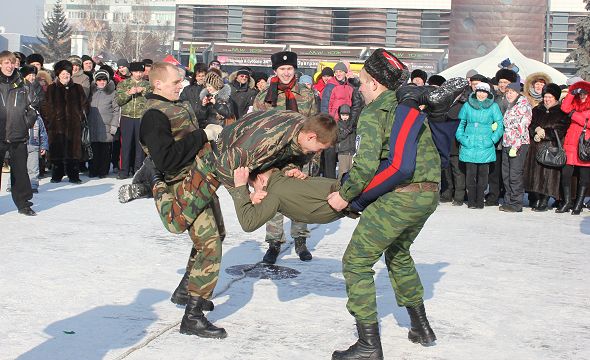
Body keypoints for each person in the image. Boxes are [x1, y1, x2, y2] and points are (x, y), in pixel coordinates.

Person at [327, 49, 439, 360]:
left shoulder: (375, 113)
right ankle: (421, 327)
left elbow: (363, 167)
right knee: (399, 254)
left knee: (356, 262)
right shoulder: (410, 109)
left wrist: (345, 195)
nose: (359, 87)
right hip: (427, 195)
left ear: (375, 84)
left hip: (400, 197)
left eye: (362, 82)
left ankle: (368, 346)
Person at [138, 61, 226, 339]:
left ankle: (186, 290)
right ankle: (194, 316)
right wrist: (202, 134)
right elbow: (165, 159)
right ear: (158, 84)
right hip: (183, 186)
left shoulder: (176, 106)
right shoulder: (154, 115)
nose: (181, 85)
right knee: (210, 245)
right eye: (176, 82)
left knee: (217, 235)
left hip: (200, 179)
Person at [253, 50, 318, 263]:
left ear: (295, 69)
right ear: (275, 71)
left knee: (299, 198)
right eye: (282, 69)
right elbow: (255, 129)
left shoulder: (307, 95)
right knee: (273, 198)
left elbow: (314, 128)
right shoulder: (264, 97)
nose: (286, 73)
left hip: (300, 156)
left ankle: (300, 241)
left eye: (290, 68)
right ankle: (274, 242)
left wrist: (313, 157)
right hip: (272, 157)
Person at [230, 167, 357, 232]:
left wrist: (240, 187)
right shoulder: (284, 179)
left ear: (261, 179)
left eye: (253, 187)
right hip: (352, 190)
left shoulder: (274, 194)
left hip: (355, 196)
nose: (255, 191)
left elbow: (248, 223)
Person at [0, 51, 37, 215]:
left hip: (18, 134)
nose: (9, 66)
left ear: (16, 64)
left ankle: (24, 204)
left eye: (11, 63)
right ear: (0, 64)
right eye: (5, 63)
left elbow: (33, 107)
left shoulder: (23, 84)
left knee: (20, 172)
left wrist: (26, 123)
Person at [456, 82, 504, 209]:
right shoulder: (467, 105)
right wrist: (462, 138)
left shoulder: (493, 107)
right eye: (479, 91)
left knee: (483, 175)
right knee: (470, 175)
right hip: (469, 144)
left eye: (484, 92)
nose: (481, 94)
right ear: (475, 92)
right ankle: (471, 201)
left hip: (485, 145)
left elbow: (500, 125)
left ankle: (479, 201)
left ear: (488, 94)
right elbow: (460, 124)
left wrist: (492, 140)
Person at [523, 83, 569, 211]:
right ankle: (536, 198)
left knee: (548, 175)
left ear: (556, 98)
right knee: (534, 174)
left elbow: (561, 129)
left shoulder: (561, 112)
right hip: (535, 147)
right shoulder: (537, 109)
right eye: (545, 96)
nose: (547, 99)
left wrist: (546, 133)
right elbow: (530, 123)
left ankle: (544, 199)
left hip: (550, 148)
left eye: (550, 97)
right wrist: (536, 129)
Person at [40, 60, 88, 185]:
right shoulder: (51, 89)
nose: (65, 76)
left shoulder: (78, 88)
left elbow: (85, 105)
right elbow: (45, 106)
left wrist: (80, 116)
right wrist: (51, 117)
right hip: (56, 126)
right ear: (58, 74)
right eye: (62, 73)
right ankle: (57, 174)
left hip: (74, 125)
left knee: (73, 151)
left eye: (67, 73)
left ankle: (74, 175)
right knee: (57, 150)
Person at [486, 68, 518, 206]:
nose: (502, 84)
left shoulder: (515, 99)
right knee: (494, 169)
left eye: (505, 82)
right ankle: (493, 194)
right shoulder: (495, 98)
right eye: (500, 82)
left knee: (508, 170)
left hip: (510, 139)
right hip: (495, 139)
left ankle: (507, 194)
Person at [557, 80, 590, 214]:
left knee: (584, 177)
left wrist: (574, 115)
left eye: (585, 92)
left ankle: (578, 204)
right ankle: (567, 201)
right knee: (566, 174)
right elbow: (564, 107)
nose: (582, 95)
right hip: (571, 143)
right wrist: (571, 92)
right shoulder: (574, 104)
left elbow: (587, 123)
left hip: (585, 144)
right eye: (580, 92)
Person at [500, 82, 532, 212]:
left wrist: (516, 145)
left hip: (518, 144)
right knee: (506, 174)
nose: (509, 94)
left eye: (511, 92)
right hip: (507, 143)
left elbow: (523, 127)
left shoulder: (524, 106)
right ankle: (508, 201)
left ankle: (516, 203)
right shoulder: (510, 106)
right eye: (507, 92)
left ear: (518, 92)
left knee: (515, 174)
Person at [115, 62, 150, 179]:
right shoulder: (123, 84)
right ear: (131, 72)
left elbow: (151, 98)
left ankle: (138, 170)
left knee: (140, 146)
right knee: (125, 145)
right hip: (127, 117)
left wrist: (143, 91)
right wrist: (129, 93)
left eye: (140, 72)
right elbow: (119, 100)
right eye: (136, 72)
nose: (138, 74)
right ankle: (124, 170)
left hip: (141, 118)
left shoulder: (147, 84)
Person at [87, 69, 119, 178]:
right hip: (93, 126)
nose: (101, 82)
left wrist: (114, 125)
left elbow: (116, 110)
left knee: (105, 151)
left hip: (107, 126)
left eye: (104, 79)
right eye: (99, 79)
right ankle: (93, 170)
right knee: (93, 150)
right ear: (95, 81)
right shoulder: (91, 93)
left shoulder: (112, 93)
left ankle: (103, 171)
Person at [335, 104, 356, 176]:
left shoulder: (352, 125)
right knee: (342, 172)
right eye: (343, 115)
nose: (345, 117)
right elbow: (337, 138)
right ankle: (339, 186)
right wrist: (346, 131)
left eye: (346, 115)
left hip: (352, 153)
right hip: (343, 153)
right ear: (339, 115)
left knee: (352, 173)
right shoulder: (337, 125)